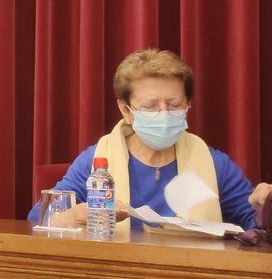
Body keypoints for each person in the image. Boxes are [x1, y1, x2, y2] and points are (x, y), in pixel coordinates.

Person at [28, 49, 259, 229]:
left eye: (174, 105)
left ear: (188, 105)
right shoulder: (98, 160)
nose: (164, 113)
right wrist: (77, 214)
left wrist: (266, 205)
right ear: (126, 111)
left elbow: (255, 224)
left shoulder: (213, 163)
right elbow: (38, 216)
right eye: (150, 107)